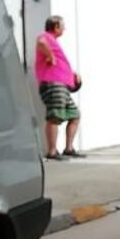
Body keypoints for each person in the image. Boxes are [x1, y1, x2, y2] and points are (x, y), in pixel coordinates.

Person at [35, 16, 84, 160]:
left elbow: (60, 64)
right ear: (56, 27)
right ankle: (52, 151)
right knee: (54, 117)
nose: (64, 29)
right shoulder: (46, 36)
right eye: (62, 26)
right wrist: (50, 55)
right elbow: (40, 43)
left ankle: (68, 149)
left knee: (75, 115)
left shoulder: (54, 41)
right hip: (53, 84)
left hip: (61, 85)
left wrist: (72, 75)